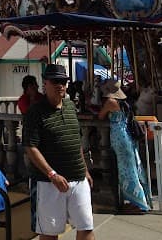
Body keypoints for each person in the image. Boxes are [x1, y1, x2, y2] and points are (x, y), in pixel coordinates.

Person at [23, 63, 95, 240]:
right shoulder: (35, 112)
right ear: (45, 83)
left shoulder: (70, 106)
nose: (60, 85)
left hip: (77, 179)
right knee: (50, 233)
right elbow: (30, 147)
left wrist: (84, 169)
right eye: (55, 81)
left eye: (63, 81)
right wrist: (52, 174)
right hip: (48, 184)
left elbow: (75, 140)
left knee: (86, 227)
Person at [97, 79, 151, 213]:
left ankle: (137, 203)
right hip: (127, 135)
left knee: (126, 170)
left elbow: (100, 116)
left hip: (119, 135)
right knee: (132, 167)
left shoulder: (110, 102)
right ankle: (142, 200)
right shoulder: (124, 103)